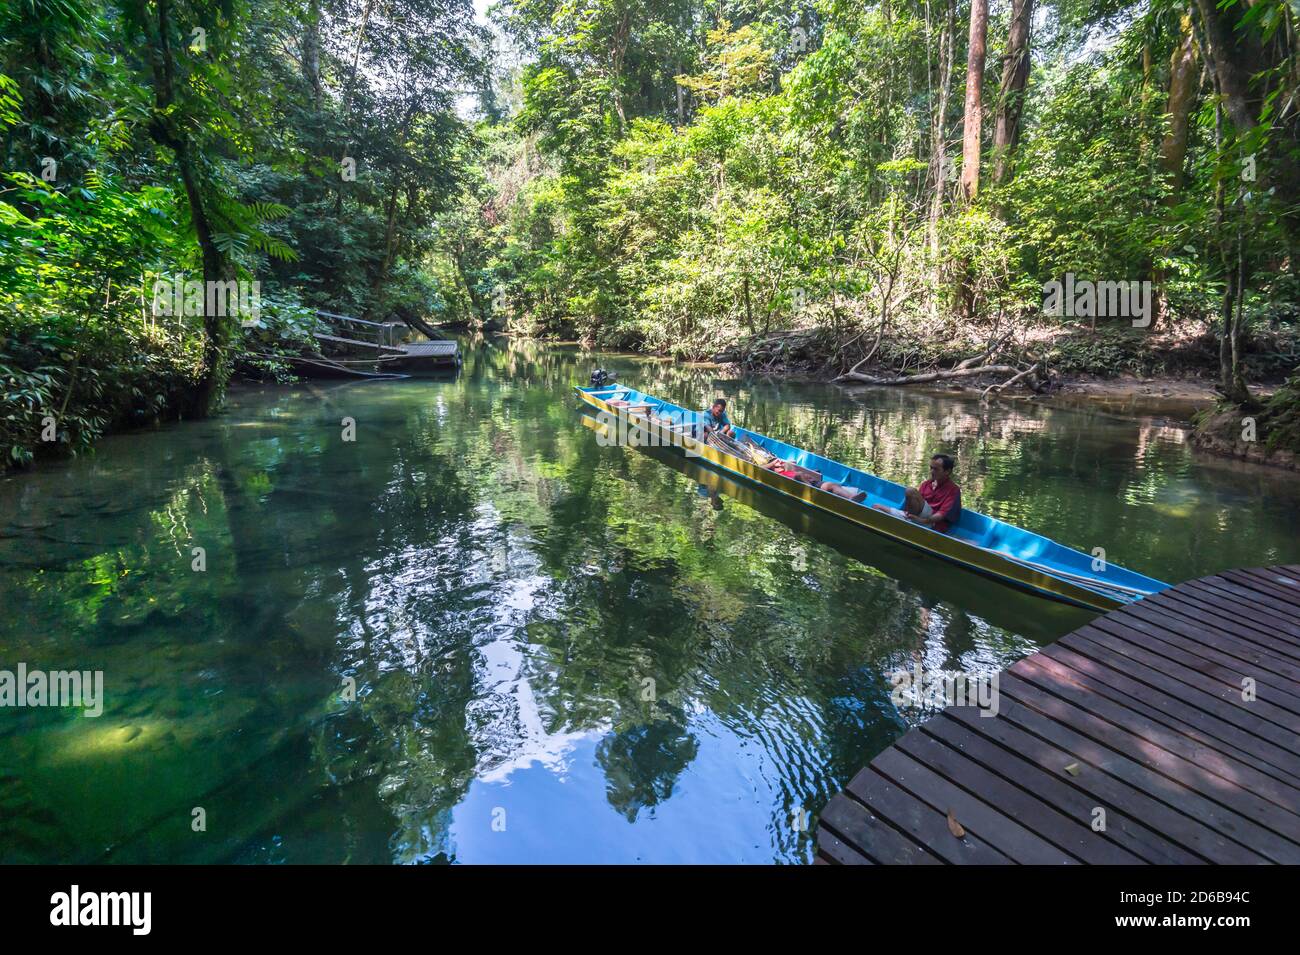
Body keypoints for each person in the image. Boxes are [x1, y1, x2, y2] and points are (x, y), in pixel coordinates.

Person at [873, 454, 961, 532]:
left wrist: (922, 520)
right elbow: (915, 504)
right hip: (916, 517)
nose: (932, 472)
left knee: (910, 491)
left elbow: (941, 515)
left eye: (936, 469)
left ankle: (909, 521)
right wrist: (908, 513)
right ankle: (907, 519)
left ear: (947, 471)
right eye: (931, 468)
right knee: (876, 506)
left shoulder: (953, 490)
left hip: (932, 523)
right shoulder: (926, 484)